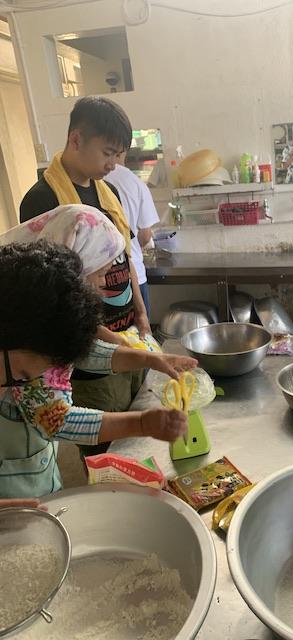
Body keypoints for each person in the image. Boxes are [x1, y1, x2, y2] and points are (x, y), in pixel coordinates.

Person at [0, 209, 196, 497]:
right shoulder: (30, 337)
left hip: (39, 489)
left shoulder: (38, 336)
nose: (105, 283)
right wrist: (140, 423)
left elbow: (88, 354)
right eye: (24, 375)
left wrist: (150, 359)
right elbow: (57, 419)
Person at [19, 96, 151, 456]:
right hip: (91, 355)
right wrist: (112, 341)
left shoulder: (108, 193)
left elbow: (124, 255)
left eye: (118, 155)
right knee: (107, 450)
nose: (113, 164)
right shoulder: (43, 200)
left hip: (127, 336)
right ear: (76, 139)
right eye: (108, 153)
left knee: (138, 438)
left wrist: (141, 314)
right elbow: (54, 294)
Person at [106, 151, 159, 317]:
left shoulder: (91, 180)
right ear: (124, 152)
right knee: (140, 329)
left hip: (101, 279)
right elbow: (145, 235)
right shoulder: (136, 183)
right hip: (133, 270)